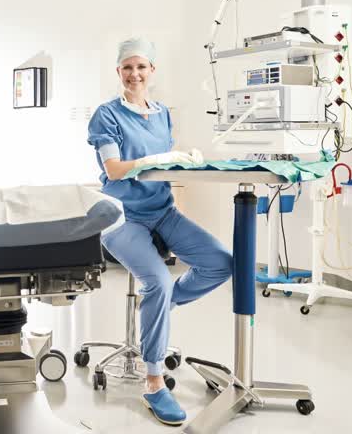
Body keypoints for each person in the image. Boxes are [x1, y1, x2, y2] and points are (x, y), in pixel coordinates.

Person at [86, 38, 233, 426]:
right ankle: (153, 383)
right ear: (118, 72)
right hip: (122, 215)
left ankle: (162, 306)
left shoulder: (163, 113)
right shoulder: (106, 115)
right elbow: (115, 170)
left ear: (152, 70)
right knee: (158, 281)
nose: (134, 74)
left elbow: (164, 167)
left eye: (141, 67)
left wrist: (185, 161)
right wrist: (155, 158)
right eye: (127, 67)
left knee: (221, 262)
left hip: (162, 211)